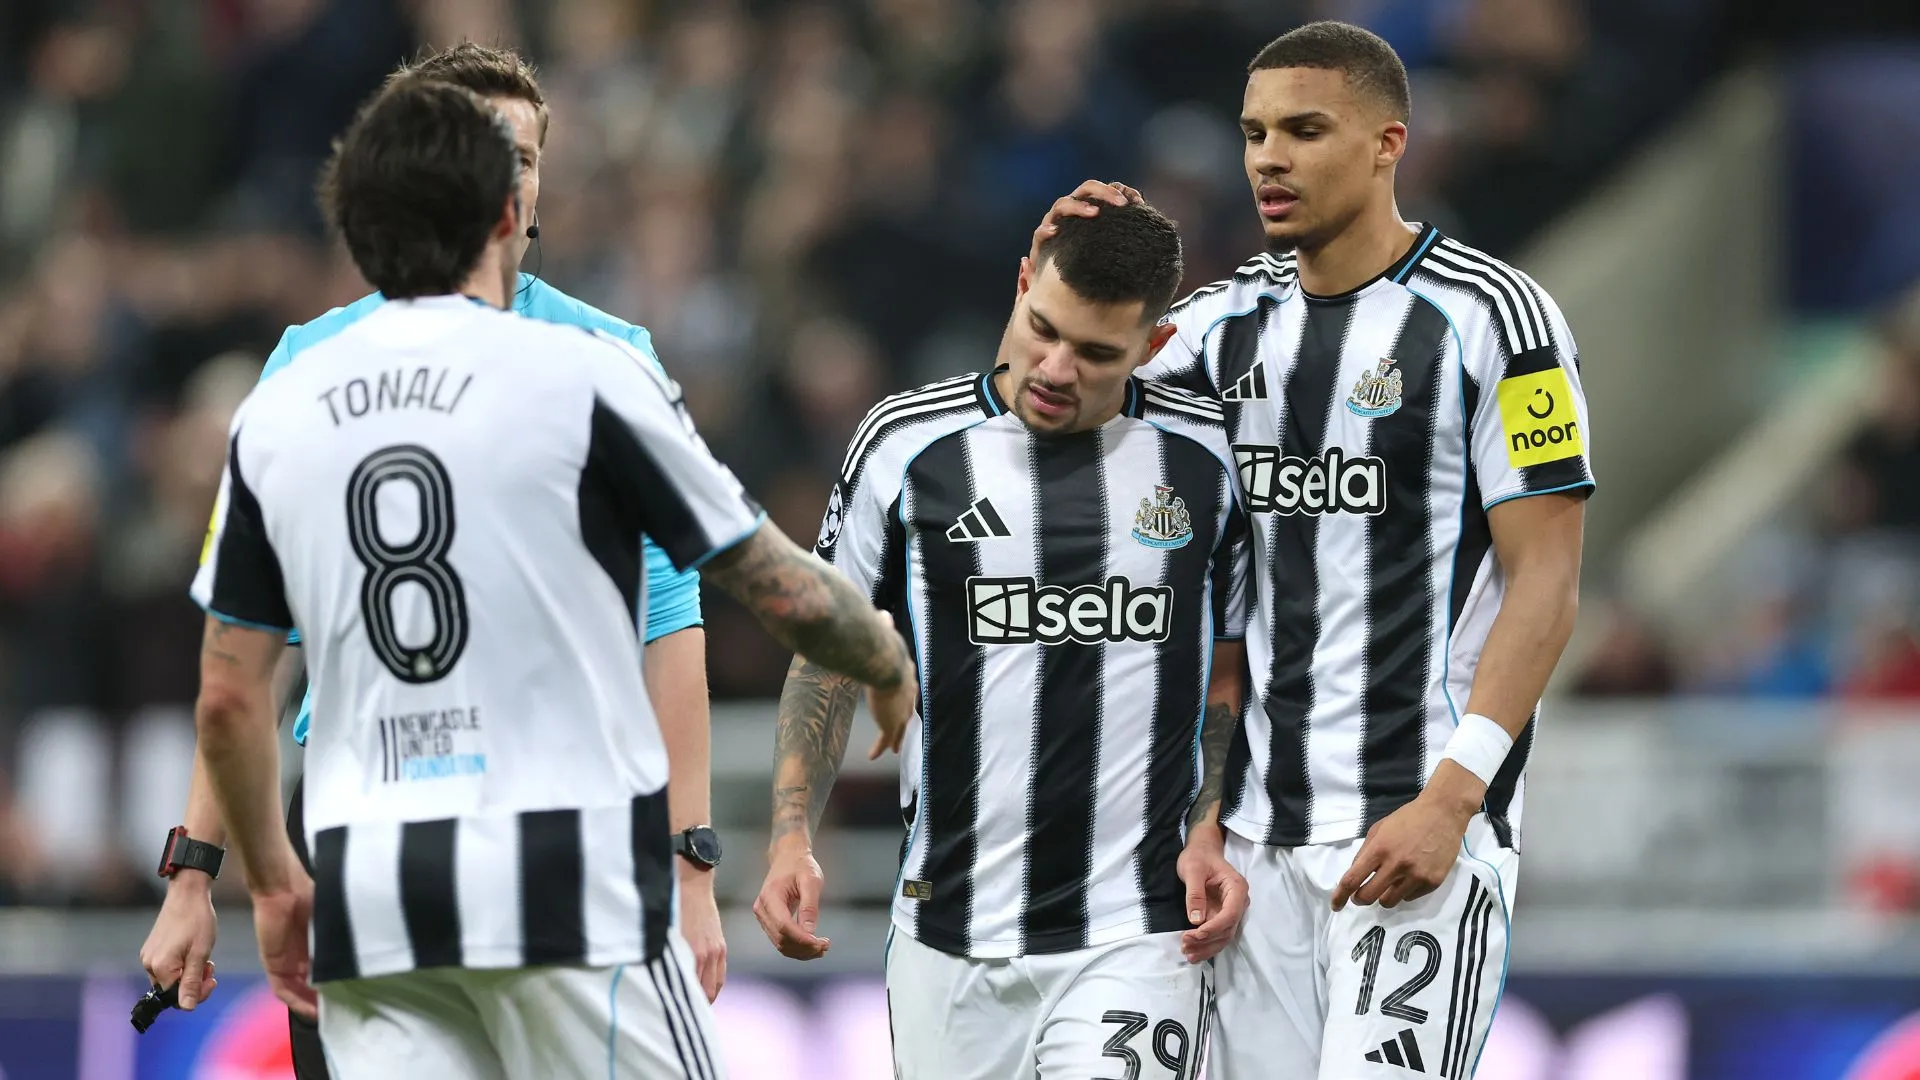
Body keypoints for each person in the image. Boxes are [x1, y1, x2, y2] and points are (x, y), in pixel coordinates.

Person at [188, 78, 916, 1078]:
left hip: (369, 891)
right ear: (506, 214)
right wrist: (881, 653)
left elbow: (229, 697)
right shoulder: (587, 373)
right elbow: (772, 583)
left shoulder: (279, 406)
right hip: (563, 876)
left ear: (359, 231)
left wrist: (271, 883)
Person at [139, 42, 728, 1078]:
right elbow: (247, 663)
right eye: (484, 147)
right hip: (389, 830)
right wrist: (194, 874)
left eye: (526, 154)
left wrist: (691, 865)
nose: (510, 174)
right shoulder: (304, 358)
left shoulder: (611, 354)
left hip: (523, 839)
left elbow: (670, 624)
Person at [1036, 21, 1594, 1079]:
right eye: (1254, 133)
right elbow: (1044, 421)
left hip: (1417, 824)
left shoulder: (1497, 321)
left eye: (1303, 130)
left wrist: (1453, 798)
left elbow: (1549, 580)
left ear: (1388, 144)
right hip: (1253, 845)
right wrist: (1048, 286)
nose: (1268, 159)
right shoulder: (1217, 327)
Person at [752, 201, 1252, 1079]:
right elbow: (828, 658)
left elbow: (1227, 667)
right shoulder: (904, 447)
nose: (1055, 368)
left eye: (1095, 352)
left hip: (1137, 932)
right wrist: (792, 835)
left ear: (1154, 343)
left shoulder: (1210, 458)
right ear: (1022, 284)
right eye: (1043, 328)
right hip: (948, 932)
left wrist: (1209, 826)